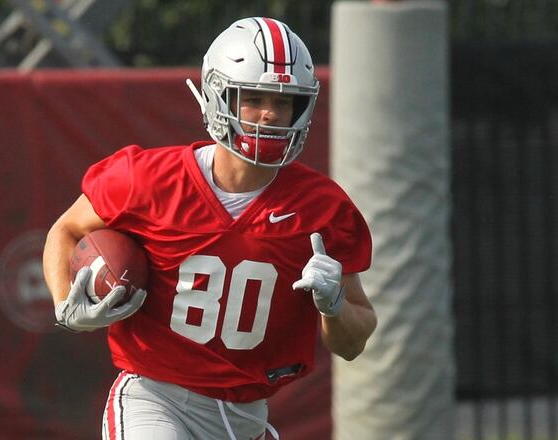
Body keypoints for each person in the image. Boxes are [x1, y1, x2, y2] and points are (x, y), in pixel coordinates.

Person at [43, 17, 377, 440]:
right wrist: (65, 304)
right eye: (253, 98)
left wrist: (334, 306)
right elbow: (66, 230)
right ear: (218, 96)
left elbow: (353, 343)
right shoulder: (148, 179)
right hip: (154, 398)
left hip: (245, 418)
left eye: (284, 101)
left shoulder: (323, 209)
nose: (270, 114)